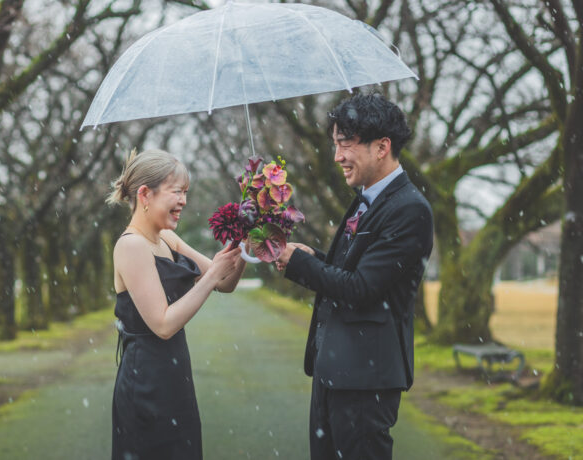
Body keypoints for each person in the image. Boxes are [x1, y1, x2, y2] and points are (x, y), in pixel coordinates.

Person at [276, 94, 434, 460]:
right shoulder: (367, 198)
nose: (337, 157)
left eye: (345, 145)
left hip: (366, 379)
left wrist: (301, 266)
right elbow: (349, 271)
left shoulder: (409, 209)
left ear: (382, 147)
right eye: (335, 145)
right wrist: (306, 256)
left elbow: (362, 289)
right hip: (333, 370)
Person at [108, 148, 246, 460]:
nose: (183, 201)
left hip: (174, 376)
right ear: (145, 193)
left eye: (186, 192)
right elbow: (164, 324)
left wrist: (247, 239)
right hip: (146, 381)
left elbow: (225, 282)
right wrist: (212, 277)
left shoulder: (167, 239)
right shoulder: (131, 246)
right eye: (176, 192)